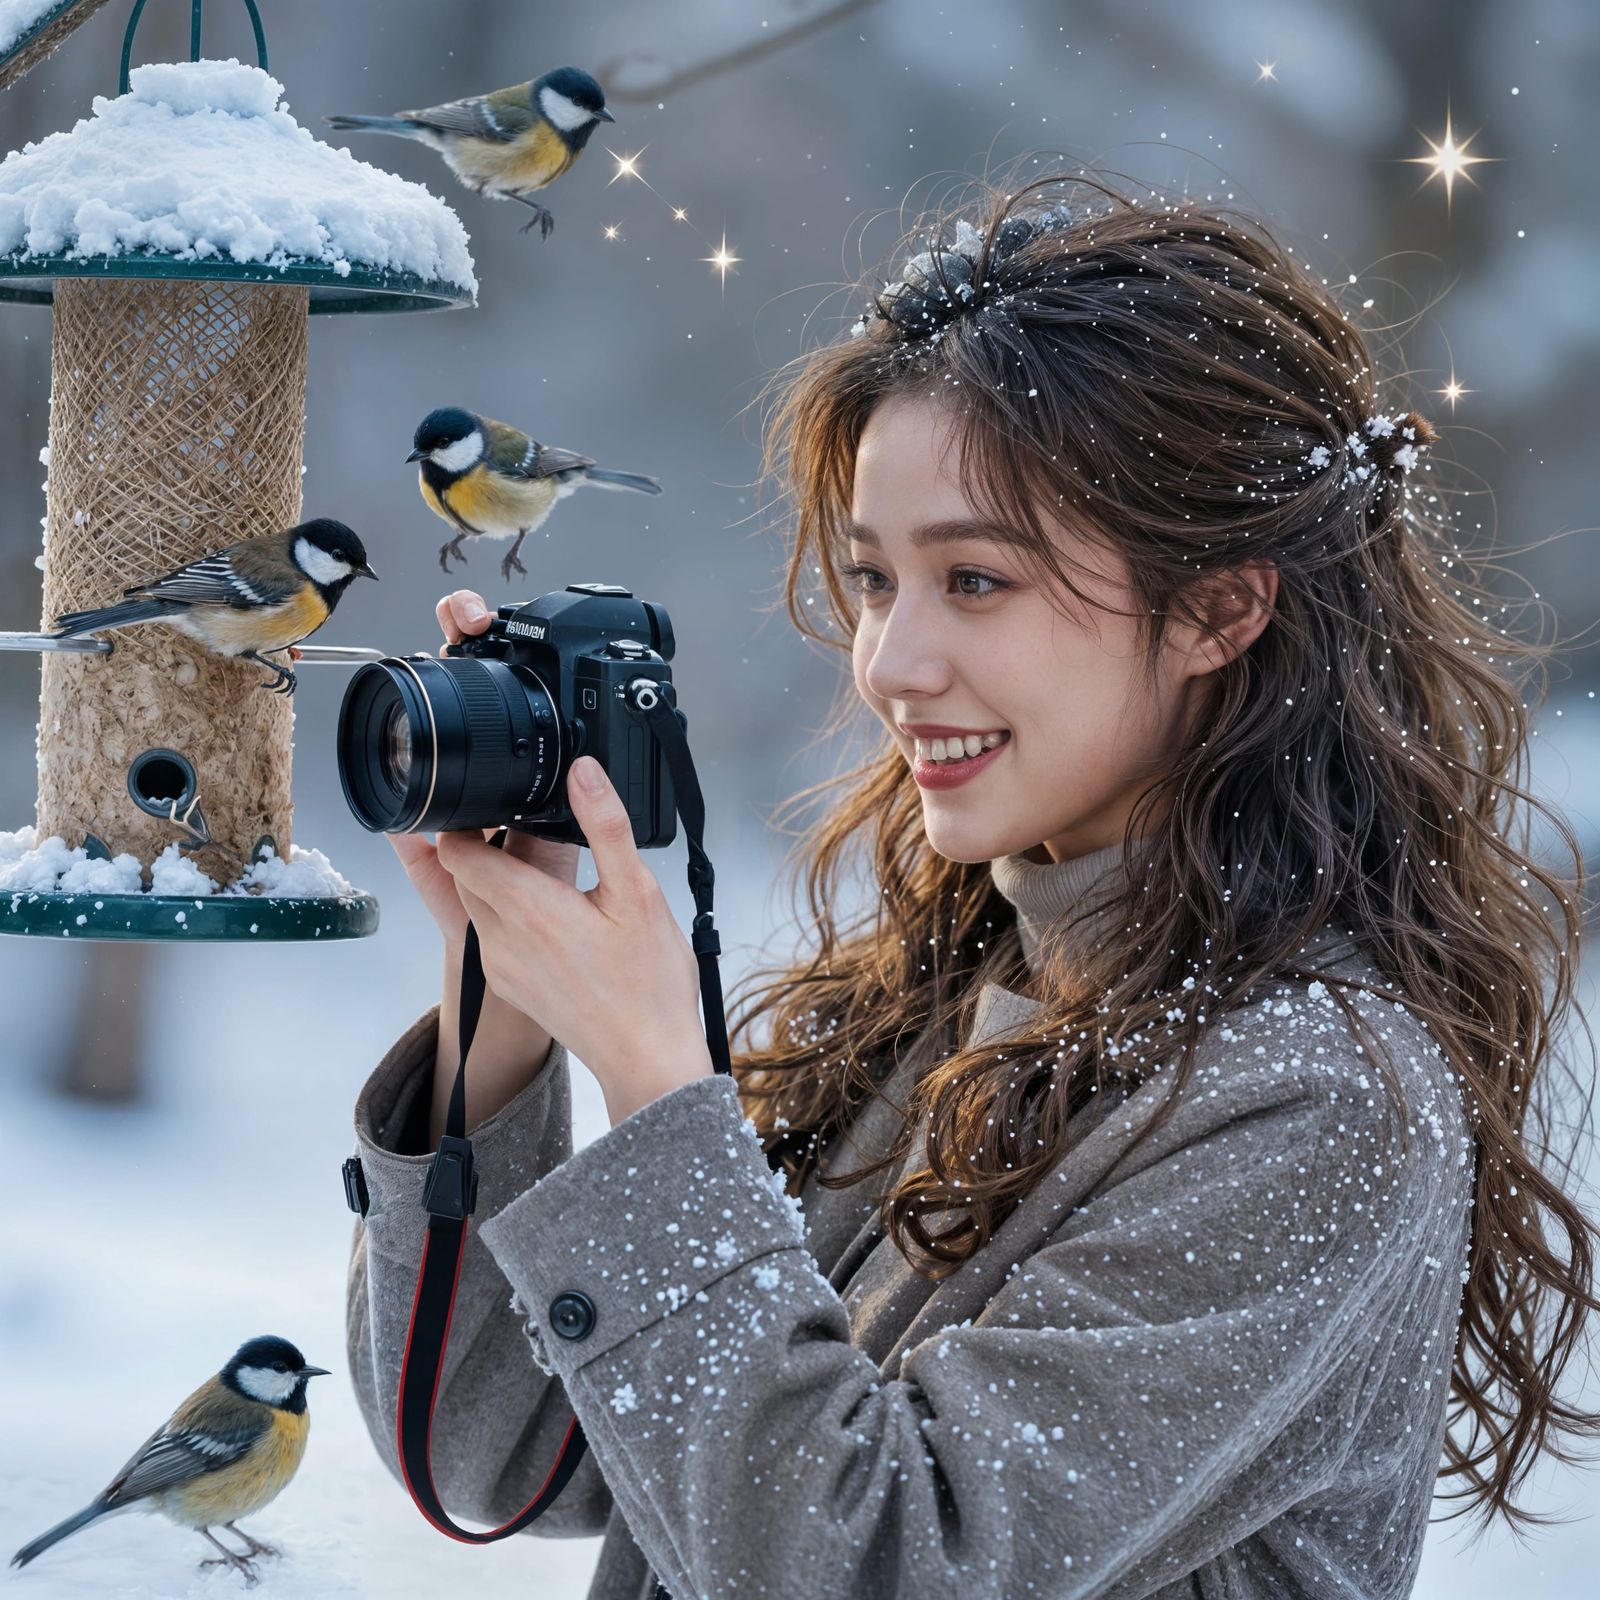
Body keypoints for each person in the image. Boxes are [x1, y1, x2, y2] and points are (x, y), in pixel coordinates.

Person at [344, 170, 1599, 1598]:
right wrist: (500, 1033)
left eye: (978, 582)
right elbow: (500, 1453)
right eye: (877, 580)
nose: (891, 663)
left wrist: (655, 1084)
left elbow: (864, 1566)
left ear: (1220, 608)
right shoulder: (959, 993)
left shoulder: (1315, 1095)